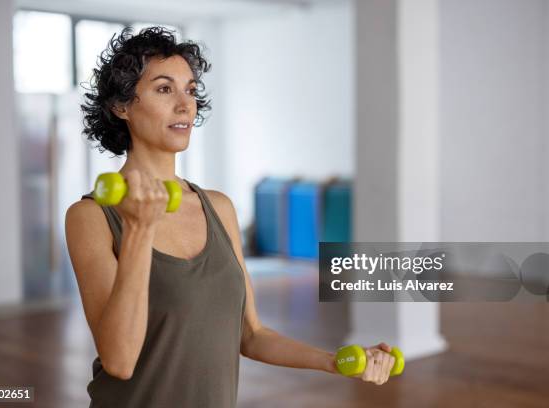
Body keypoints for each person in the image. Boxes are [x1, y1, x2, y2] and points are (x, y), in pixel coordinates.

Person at [65, 26, 396, 408]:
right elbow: (119, 361)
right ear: (121, 106)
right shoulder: (91, 217)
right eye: (163, 88)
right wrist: (140, 230)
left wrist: (336, 363)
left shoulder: (217, 207)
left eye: (189, 89)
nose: (185, 104)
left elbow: (251, 334)